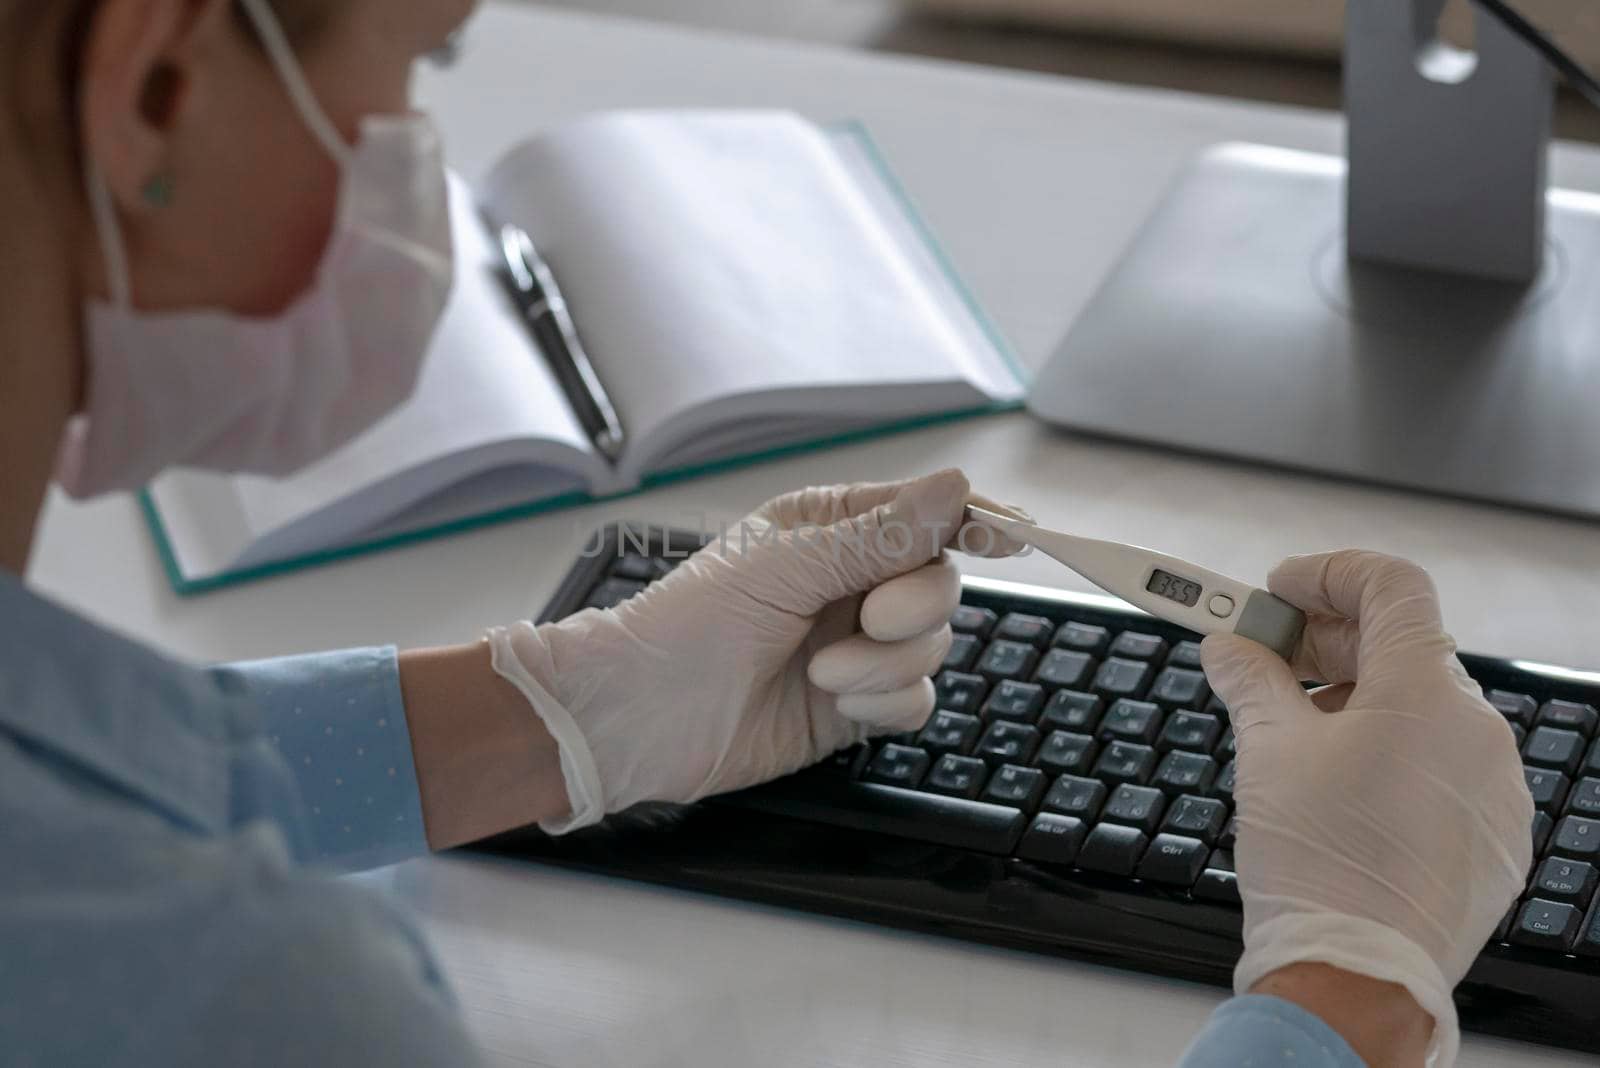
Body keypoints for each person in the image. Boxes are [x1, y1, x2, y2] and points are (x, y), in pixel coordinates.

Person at [0, 2, 1533, 1066]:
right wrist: (1350, 991)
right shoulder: (233, 997)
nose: (417, 148)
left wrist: (558, 710)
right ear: (156, 85)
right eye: (419, 59)